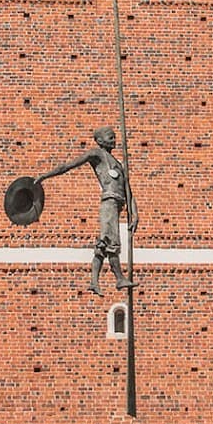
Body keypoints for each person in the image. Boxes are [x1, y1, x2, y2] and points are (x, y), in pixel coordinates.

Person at [35, 126, 138, 296]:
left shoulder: (118, 164)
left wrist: (135, 214)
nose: (114, 140)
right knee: (111, 242)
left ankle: (94, 282)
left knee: (104, 245)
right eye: (109, 137)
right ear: (99, 141)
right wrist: (45, 176)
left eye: (114, 137)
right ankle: (119, 279)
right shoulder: (97, 155)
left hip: (118, 204)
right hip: (109, 203)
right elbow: (67, 166)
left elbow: (128, 191)